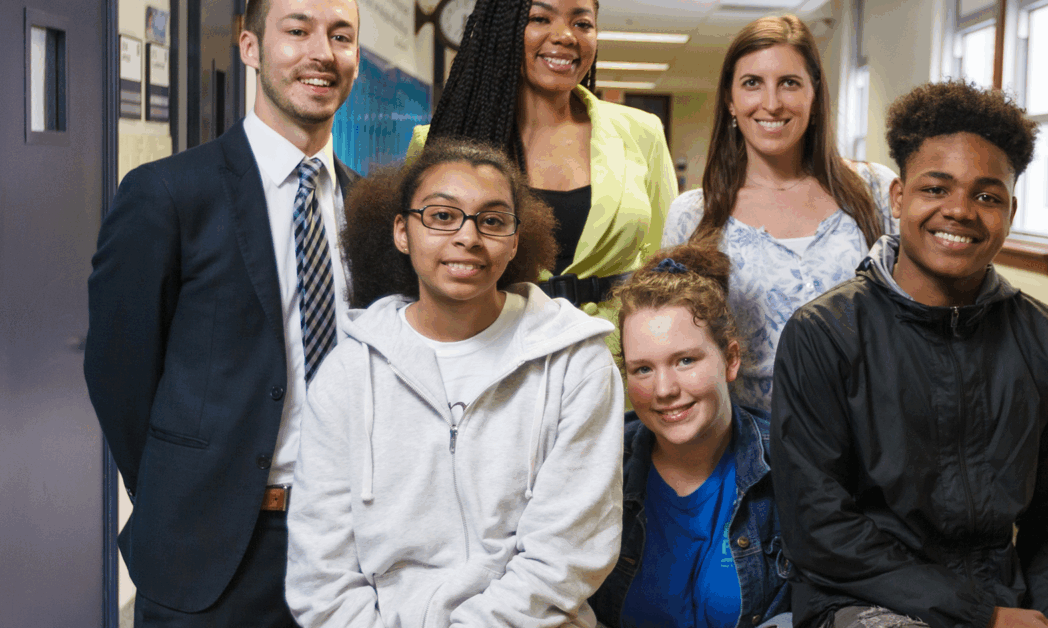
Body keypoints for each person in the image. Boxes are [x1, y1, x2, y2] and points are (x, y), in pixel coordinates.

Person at [770, 81, 1048, 628]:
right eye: (936, 188)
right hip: (859, 599)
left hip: (1001, 599)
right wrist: (982, 616)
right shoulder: (823, 335)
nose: (959, 211)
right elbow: (820, 528)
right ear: (898, 197)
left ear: (1011, 211)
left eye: (987, 196)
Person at [83, 0, 360, 623]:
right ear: (250, 47)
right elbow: (118, 375)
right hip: (208, 551)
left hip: (349, 549)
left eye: (341, 36)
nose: (322, 53)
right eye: (298, 30)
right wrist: (178, 490)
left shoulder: (374, 209)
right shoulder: (168, 194)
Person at [285, 139, 624, 628]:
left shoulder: (576, 363)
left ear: (515, 239)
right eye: (442, 216)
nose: (468, 236)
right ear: (402, 231)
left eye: (492, 220)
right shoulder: (348, 373)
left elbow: (565, 557)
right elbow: (321, 572)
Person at [662, 14, 896, 412]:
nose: (771, 104)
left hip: (868, 429)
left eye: (789, 83)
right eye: (752, 83)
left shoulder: (873, 190)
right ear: (730, 100)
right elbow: (678, 345)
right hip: (751, 435)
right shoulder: (695, 215)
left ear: (814, 95)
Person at [407, 0, 677, 312]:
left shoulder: (642, 133)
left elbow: (668, 261)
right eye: (539, 18)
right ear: (501, 29)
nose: (565, 36)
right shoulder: (440, 142)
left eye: (582, 24)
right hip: (492, 333)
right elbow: (415, 266)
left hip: (616, 337)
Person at [589, 244, 793, 628]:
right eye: (643, 369)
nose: (664, 389)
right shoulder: (597, 467)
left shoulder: (790, 462)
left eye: (685, 361)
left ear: (731, 359)